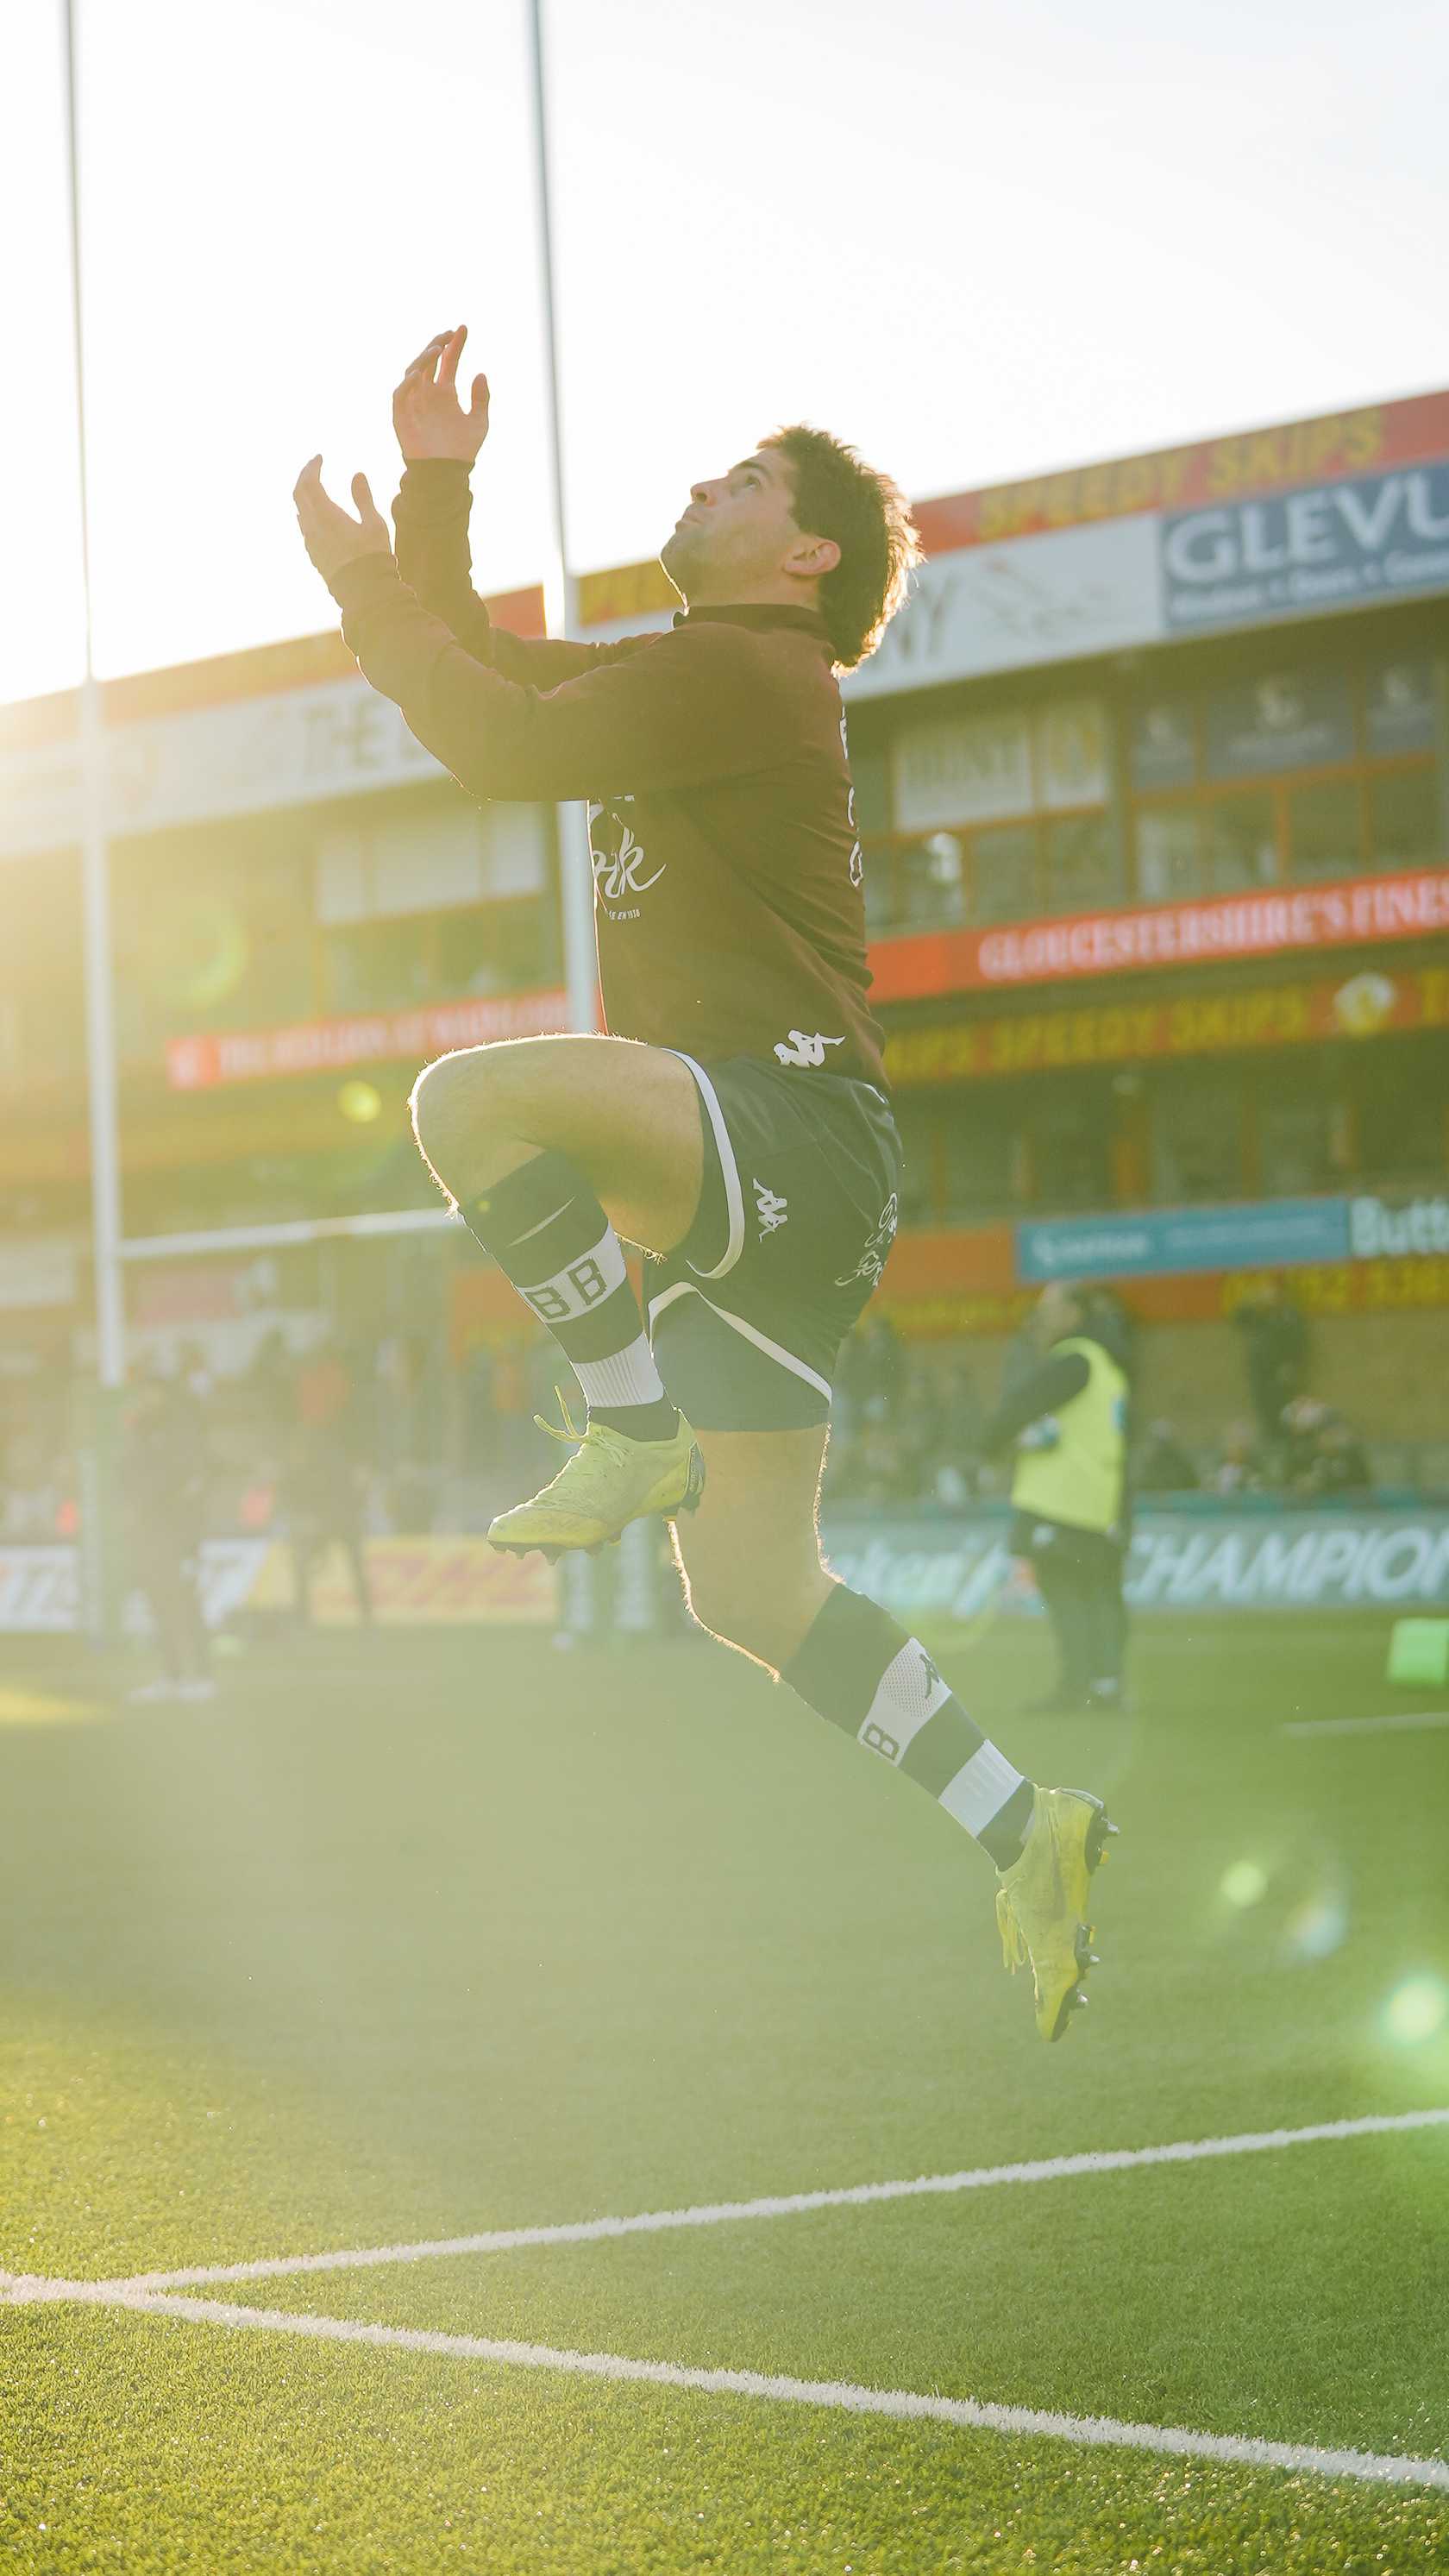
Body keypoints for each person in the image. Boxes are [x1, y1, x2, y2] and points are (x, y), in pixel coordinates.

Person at [291, 324, 1117, 2043]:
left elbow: (494, 740)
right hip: (798, 1171)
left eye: (741, 480)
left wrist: (371, 583)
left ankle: (631, 1424)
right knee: (744, 1589)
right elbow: (495, 670)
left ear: (804, 554)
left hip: (785, 1122)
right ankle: (1021, 1825)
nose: (700, 484)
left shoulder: (746, 670)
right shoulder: (705, 674)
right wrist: (433, 494)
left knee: (466, 1102)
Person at [982, 1282, 1131, 1716]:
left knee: (1065, 1591)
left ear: (1073, 1313)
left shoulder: (1074, 1360)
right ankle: (1104, 1684)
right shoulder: (1108, 1368)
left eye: (1049, 1307)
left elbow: (1022, 1403)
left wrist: (987, 1445)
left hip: (1062, 1500)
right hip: (1099, 1500)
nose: (1040, 1316)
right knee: (1097, 1593)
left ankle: (1076, 1687)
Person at [122, 1373, 216, 1703]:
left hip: (179, 1533)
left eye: (150, 1392)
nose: (145, 1399)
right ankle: (171, 1676)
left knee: (186, 1602)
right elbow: (131, 1478)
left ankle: (202, 1677)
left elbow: (192, 1482)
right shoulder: (140, 1431)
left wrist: (188, 1532)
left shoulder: (180, 1432)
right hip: (151, 1534)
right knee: (159, 1604)